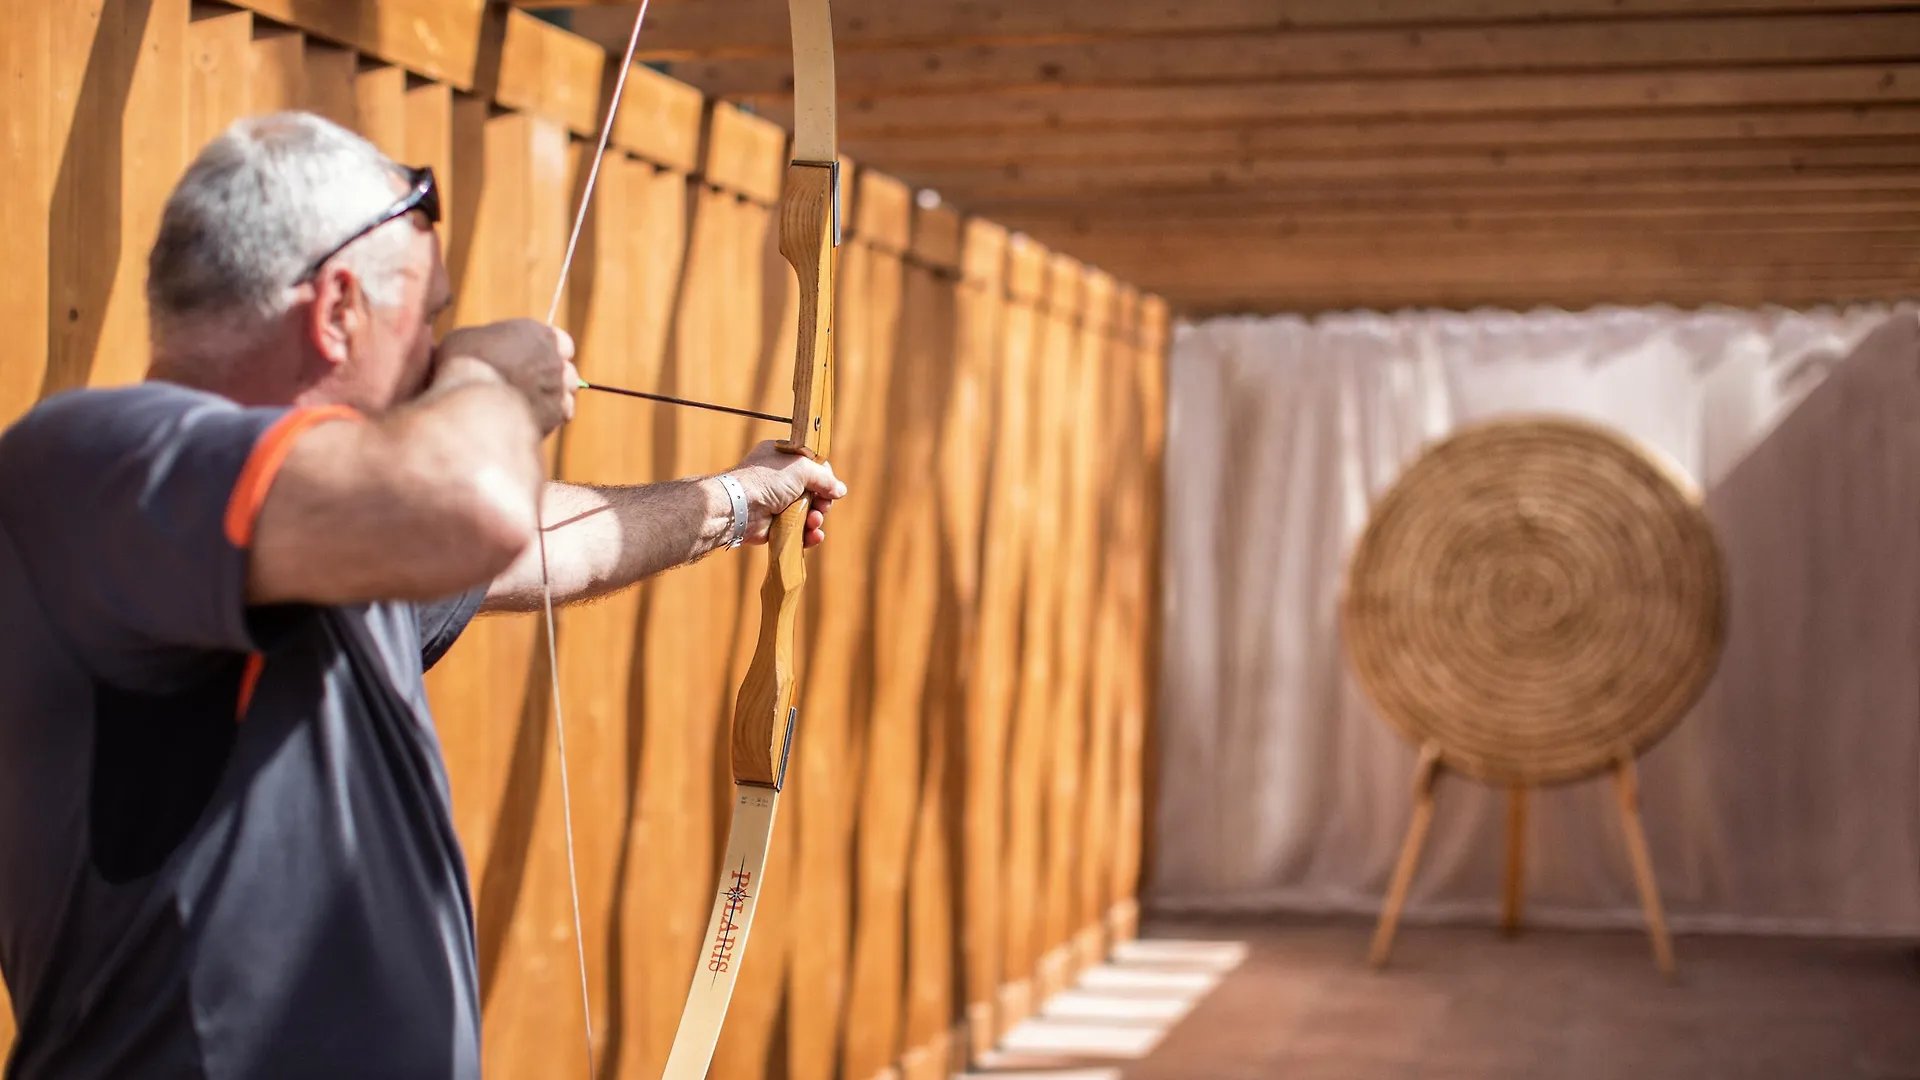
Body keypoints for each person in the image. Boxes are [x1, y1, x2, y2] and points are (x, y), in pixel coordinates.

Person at [0, 112, 845, 1079]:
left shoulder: (327, 533)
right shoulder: (97, 463)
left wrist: (737, 501)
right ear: (337, 311)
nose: (439, 357)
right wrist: (488, 379)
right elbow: (476, 506)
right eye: (430, 322)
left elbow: (525, 542)